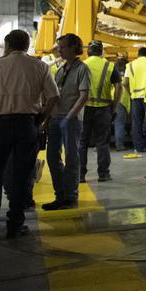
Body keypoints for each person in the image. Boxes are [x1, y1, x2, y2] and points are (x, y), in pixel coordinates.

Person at [0, 29, 58, 237]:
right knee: (21, 175)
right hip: (27, 124)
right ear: (27, 45)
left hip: (1, 125)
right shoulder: (40, 66)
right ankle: (15, 223)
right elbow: (54, 97)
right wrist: (42, 118)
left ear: (7, 45)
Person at [43, 33, 90, 211]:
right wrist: (47, 119)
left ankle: (70, 196)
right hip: (56, 118)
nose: (59, 50)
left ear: (73, 48)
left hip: (71, 120)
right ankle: (60, 194)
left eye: (63, 47)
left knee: (71, 158)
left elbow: (84, 95)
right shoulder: (61, 69)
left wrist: (70, 116)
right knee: (52, 157)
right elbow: (54, 96)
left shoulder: (82, 69)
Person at [78, 40, 120, 183]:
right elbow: (119, 87)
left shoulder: (81, 65)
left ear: (88, 51)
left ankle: (80, 175)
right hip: (103, 109)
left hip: (84, 109)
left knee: (82, 142)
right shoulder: (109, 66)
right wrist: (114, 106)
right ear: (102, 51)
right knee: (102, 142)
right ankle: (103, 174)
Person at [124, 47, 146, 153]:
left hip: (136, 97)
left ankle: (139, 147)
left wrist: (131, 92)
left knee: (137, 123)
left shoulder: (130, 65)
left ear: (138, 54)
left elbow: (125, 82)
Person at [112, 50, 130, 150]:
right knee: (120, 123)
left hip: (109, 97)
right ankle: (119, 145)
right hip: (122, 99)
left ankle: (99, 145)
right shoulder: (127, 72)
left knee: (105, 123)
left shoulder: (113, 71)